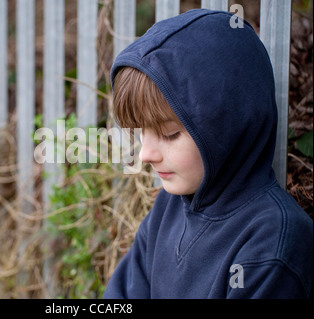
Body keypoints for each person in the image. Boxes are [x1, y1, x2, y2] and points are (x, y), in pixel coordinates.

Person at [104, 9, 313, 299]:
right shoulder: (168, 208)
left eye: (168, 134)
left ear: (229, 124)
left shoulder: (271, 243)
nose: (145, 154)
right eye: (141, 131)